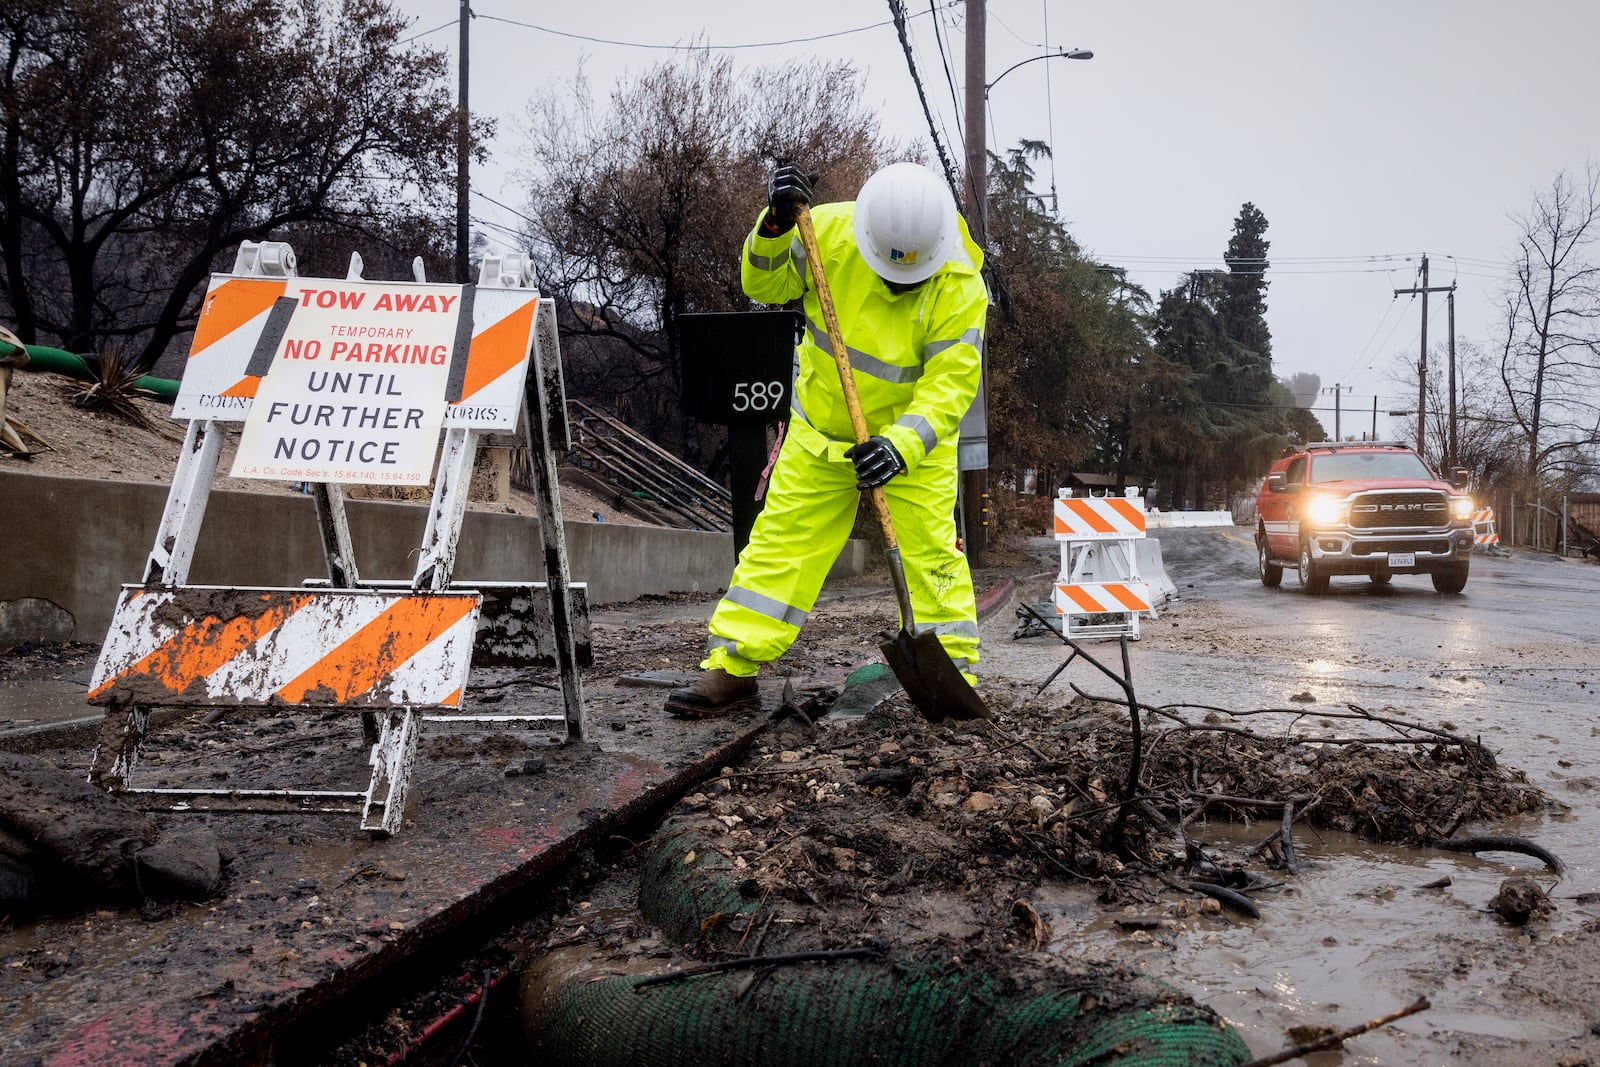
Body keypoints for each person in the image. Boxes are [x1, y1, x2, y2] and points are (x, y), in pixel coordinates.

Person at [665, 160, 989, 718]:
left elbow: (949, 387)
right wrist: (773, 227)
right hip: (820, 433)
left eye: (906, 279)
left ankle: (950, 676)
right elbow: (762, 283)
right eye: (887, 273)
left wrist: (900, 447)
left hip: (911, 447)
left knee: (932, 559)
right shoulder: (829, 234)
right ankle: (732, 667)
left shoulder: (959, 285)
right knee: (779, 549)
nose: (893, 284)